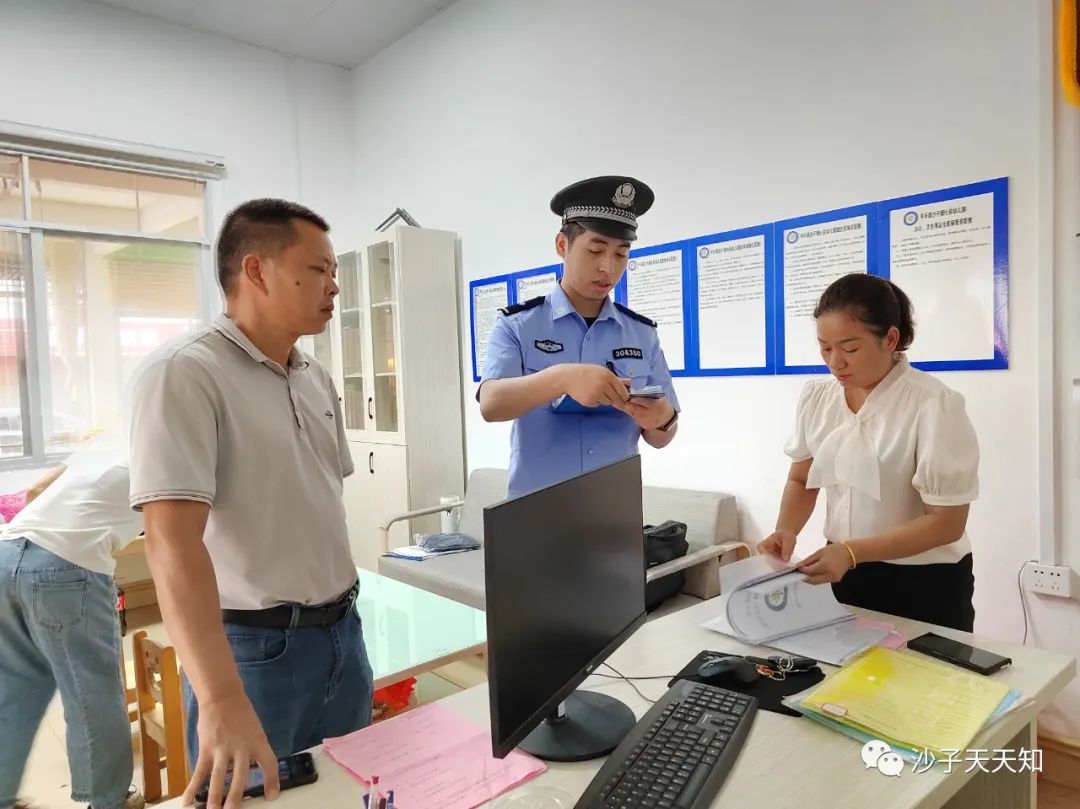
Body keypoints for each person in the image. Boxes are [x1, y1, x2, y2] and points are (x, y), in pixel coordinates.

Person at [127, 199, 373, 809]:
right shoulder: (185, 373)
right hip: (256, 650)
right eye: (319, 270)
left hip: (342, 632)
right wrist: (219, 696)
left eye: (333, 271)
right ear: (257, 271)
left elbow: (318, 501)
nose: (334, 286)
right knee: (253, 799)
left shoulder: (312, 375)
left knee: (351, 791)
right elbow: (170, 543)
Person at [758, 273, 980, 631]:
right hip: (843, 570)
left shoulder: (934, 403)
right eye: (825, 348)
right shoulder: (818, 398)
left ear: (890, 338)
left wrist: (851, 552)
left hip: (923, 582)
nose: (835, 362)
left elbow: (947, 523)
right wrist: (786, 530)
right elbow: (802, 479)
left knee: (922, 683)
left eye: (850, 348)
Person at [479, 175, 680, 498]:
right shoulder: (519, 324)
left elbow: (660, 436)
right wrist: (562, 378)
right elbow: (491, 405)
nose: (608, 268)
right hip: (536, 512)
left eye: (620, 255)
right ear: (563, 245)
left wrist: (663, 419)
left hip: (614, 512)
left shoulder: (641, 333)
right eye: (595, 250)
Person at [0, 434, 145, 809]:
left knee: (17, 688)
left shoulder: (104, 445)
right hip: (67, 568)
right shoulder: (169, 456)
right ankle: (109, 800)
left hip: (8, 551)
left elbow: (34, 490)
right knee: (92, 694)